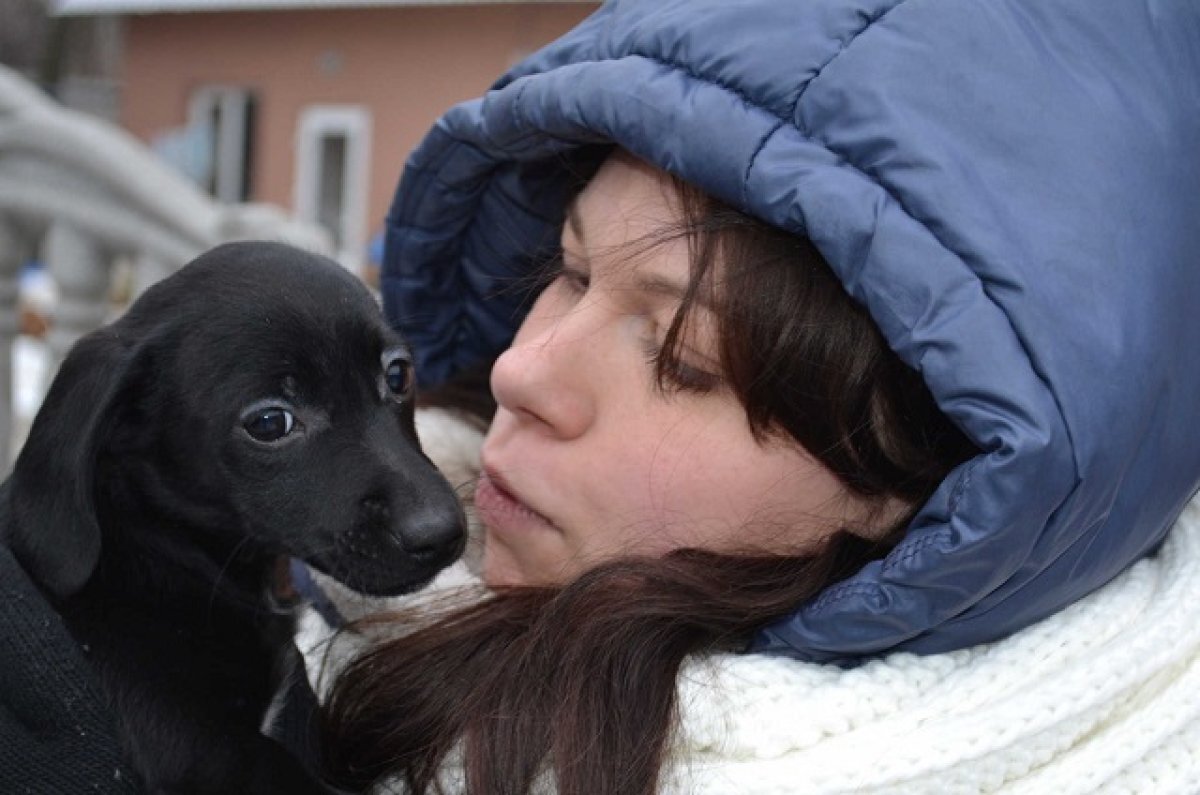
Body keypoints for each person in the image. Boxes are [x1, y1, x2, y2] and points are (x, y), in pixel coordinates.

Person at [304, 0, 1200, 793]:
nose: (520, 372)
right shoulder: (269, 543)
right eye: (569, 273)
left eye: (683, 364)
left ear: (934, 508)